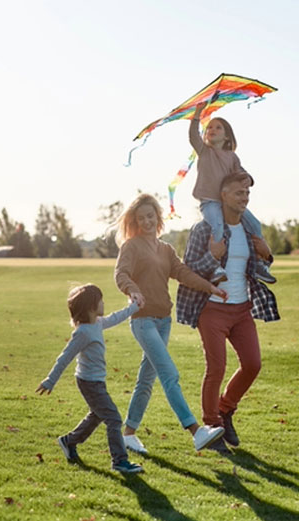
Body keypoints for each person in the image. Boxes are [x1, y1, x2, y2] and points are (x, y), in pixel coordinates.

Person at [114, 194, 228, 455]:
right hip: (143, 321)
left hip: (164, 321)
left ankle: (128, 434)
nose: (146, 221)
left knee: (146, 379)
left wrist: (210, 287)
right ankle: (196, 432)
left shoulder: (165, 249)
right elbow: (121, 274)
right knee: (169, 374)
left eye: (150, 216)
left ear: (158, 217)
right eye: (141, 218)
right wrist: (132, 290)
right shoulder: (131, 247)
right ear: (135, 221)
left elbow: (183, 273)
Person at [176, 171, 280, 453]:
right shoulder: (203, 230)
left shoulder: (249, 231)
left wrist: (267, 254)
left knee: (253, 364)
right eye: (238, 193)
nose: (244, 198)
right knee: (216, 368)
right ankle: (211, 428)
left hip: (242, 309)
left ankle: (225, 410)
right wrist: (213, 255)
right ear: (223, 195)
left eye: (247, 193)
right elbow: (187, 269)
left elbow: (259, 268)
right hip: (211, 309)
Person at [36, 284, 145, 474]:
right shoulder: (83, 332)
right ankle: (120, 461)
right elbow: (65, 357)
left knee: (97, 416)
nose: (104, 303)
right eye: (101, 301)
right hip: (88, 383)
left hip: (97, 382)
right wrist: (50, 380)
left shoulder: (97, 323)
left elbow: (115, 317)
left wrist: (133, 308)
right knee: (113, 418)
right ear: (91, 307)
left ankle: (69, 441)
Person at [190, 102, 275, 284]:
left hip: (229, 203)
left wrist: (248, 178)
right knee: (218, 228)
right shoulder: (205, 152)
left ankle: (260, 264)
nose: (212, 129)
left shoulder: (232, 157)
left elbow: (241, 173)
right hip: (210, 202)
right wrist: (197, 114)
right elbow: (192, 137)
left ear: (227, 136)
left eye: (218, 127)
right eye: (209, 127)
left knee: (255, 225)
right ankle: (215, 266)